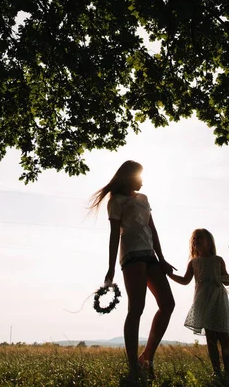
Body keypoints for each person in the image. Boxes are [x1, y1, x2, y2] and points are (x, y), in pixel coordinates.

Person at [90, 160, 176, 384]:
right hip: (131, 256)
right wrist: (110, 267)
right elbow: (113, 235)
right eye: (140, 176)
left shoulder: (144, 199)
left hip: (150, 255)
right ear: (130, 177)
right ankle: (133, 367)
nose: (143, 180)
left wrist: (162, 259)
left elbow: (152, 229)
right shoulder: (116, 201)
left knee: (168, 304)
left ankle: (147, 357)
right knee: (136, 308)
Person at [168, 228, 229, 377]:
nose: (196, 241)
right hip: (203, 302)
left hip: (219, 300)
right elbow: (185, 280)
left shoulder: (218, 260)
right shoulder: (193, 263)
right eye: (194, 239)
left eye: (200, 238)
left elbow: (226, 280)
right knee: (211, 338)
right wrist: (170, 275)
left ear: (209, 242)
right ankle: (216, 372)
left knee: (224, 337)